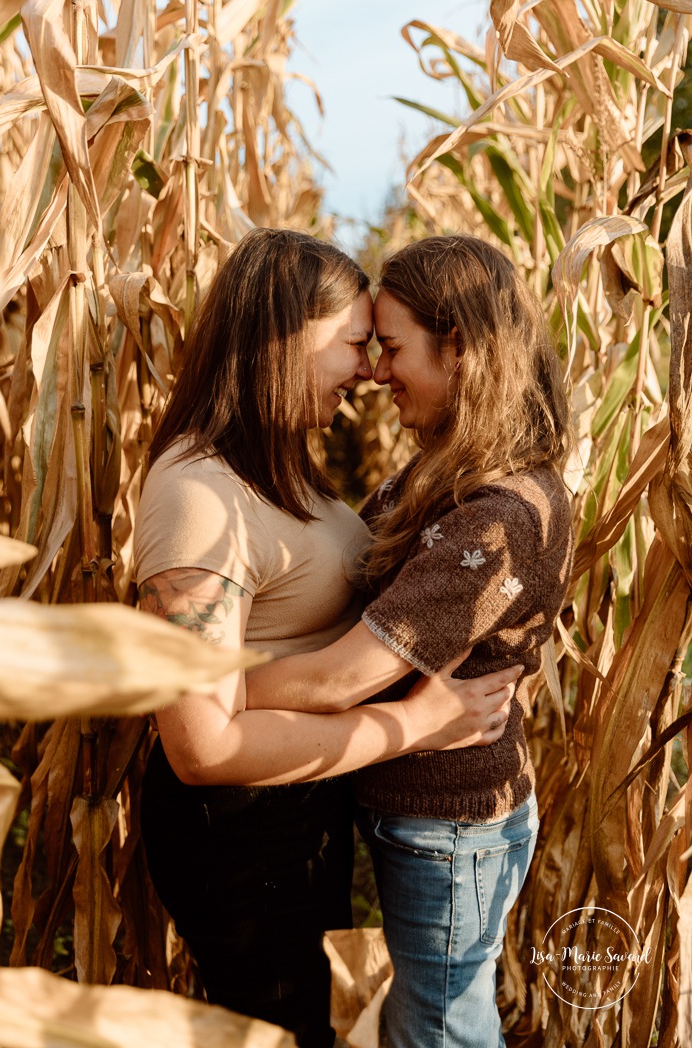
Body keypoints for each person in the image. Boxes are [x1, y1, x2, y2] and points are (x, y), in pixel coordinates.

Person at [135, 227, 519, 1048]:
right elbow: (200, 746)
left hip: (298, 808)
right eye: (353, 344)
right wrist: (411, 726)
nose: (370, 370)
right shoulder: (196, 494)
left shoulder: (277, 468)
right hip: (237, 833)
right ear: (281, 337)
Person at [246, 235, 574, 1047]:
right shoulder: (442, 472)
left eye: (390, 348)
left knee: (436, 1029)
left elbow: (337, 681)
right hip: (424, 813)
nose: (374, 370)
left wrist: (193, 684)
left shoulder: (498, 518)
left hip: (449, 826)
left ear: (458, 346)